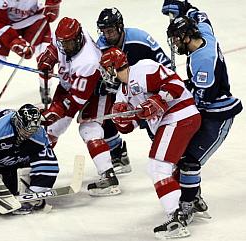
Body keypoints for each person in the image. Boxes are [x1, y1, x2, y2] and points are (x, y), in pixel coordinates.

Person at [158, 0, 243, 235]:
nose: (175, 45)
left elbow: (199, 102)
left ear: (186, 36)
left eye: (176, 39)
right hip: (209, 108)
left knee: (189, 162)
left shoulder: (202, 62)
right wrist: (182, 6)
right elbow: (199, 14)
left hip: (218, 115)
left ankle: (186, 206)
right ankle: (193, 196)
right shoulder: (203, 32)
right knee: (182, 157)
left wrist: (169, 97)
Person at [99, 47, 201, 239]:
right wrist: (124, 119)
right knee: (162, 168)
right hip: (169, 122)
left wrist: (157, 100)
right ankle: (185, 207)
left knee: (157, 167)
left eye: (106, 69)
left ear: (114, 67)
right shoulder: (122, 93)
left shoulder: (143, 68)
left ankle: (176, 217)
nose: (105, 74)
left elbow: (176, 85)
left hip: (180, 115)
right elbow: (130, 126)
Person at [37, 17, 121, 196]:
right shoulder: (64, 37)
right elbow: (54, 45)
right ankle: (33, 167)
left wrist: (57, 110)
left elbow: (75, 101)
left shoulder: (88, 61)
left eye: (68, 43)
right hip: (70, 84)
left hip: (97, 92)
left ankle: (108, 177)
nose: (64, 47)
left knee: (89, 129)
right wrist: (50, 56)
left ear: (77, 39)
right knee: (50, 130)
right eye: (62, 43)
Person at [95, 7, 172, 174]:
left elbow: (166, 65)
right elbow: (101, 74)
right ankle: (118, 154)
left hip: (149, 88)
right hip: (124, 89)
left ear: (120, 26)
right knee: (107, 112)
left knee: (153, 119)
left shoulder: (141, 39)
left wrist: (163, 90)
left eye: (110, 30)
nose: (107, 35)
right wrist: (102, 83)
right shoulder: (101, 45)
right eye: (103, 31)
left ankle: (169, 155)